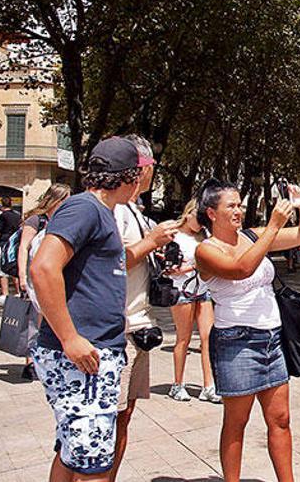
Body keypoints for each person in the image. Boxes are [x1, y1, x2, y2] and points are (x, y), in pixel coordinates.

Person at [30, 137, 142, 482]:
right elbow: (43, 267)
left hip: (94, 353)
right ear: (129, 177)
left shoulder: (102, 213)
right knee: (93, 466)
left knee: (72, 454)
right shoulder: (85, 208)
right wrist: (70, 338)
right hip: (85, 357)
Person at [195, 178, 300, 482]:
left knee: (281, 419)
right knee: (237, 422)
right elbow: (240, 269)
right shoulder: (205, 251)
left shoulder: (253, 235)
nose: (239, 210)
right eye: (231, 205)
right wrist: (274, 224)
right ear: (211, 212)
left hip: (272, 339)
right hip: (236, 342)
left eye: (240, 204)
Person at [109, 135, 178, 482]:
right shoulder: (117, 211)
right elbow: (109, 262)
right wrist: (151, 242)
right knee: (109, 421)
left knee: (124, 416)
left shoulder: (133, 211)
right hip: (118, 332)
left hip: (136, 328)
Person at [167, 199, 221, 403]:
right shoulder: (174, 235)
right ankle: (177, 384)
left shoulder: (205, 237)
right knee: (184, 339)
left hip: (203, 291)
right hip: (182, 291)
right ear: (187, 213)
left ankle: (209, 385)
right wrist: (191, 267)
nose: (199, 223)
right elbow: (169, 266)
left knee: (208, 338)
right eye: (197, 217)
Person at [16, 183, 71, 381]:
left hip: (53, 275)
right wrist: (22, 277)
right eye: (66, 199)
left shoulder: (61, 220)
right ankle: (30, 362)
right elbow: (24, 248)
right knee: (35, 319)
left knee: (47, 316)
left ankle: (47, 358)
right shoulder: (36, 220)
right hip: (34, 275)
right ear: (56, 200)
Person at [0, 196, 22, 301]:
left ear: (2, 204)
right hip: (15, 244)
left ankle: (5, 294)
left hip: (4, 245)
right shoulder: (17, 216)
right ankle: (19, 292)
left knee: (1, 268)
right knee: (14, 267)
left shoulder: (2, 216)